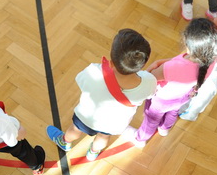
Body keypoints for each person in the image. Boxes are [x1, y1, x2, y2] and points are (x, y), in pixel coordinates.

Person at [46, 29, 156, 161]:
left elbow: (80, 81)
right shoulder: (149, 82)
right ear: (141, 64)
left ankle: (64, 142)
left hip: (86, 117)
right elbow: (150, 94)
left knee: (74, 130)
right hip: (113, 124)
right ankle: (93, 153)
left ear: (111, 62)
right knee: (103, 137)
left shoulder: (94, 71)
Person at [129, 18, 217, 146]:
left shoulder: (175, 67)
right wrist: (162, 63)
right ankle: (164, 129)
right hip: (184, 96)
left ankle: (140, 139)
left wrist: (153, 67)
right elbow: (177, 64)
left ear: (188, 45)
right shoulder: (212, 58)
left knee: (151, 119)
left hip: (162, 99)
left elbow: (152, 77)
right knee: (173, 112)